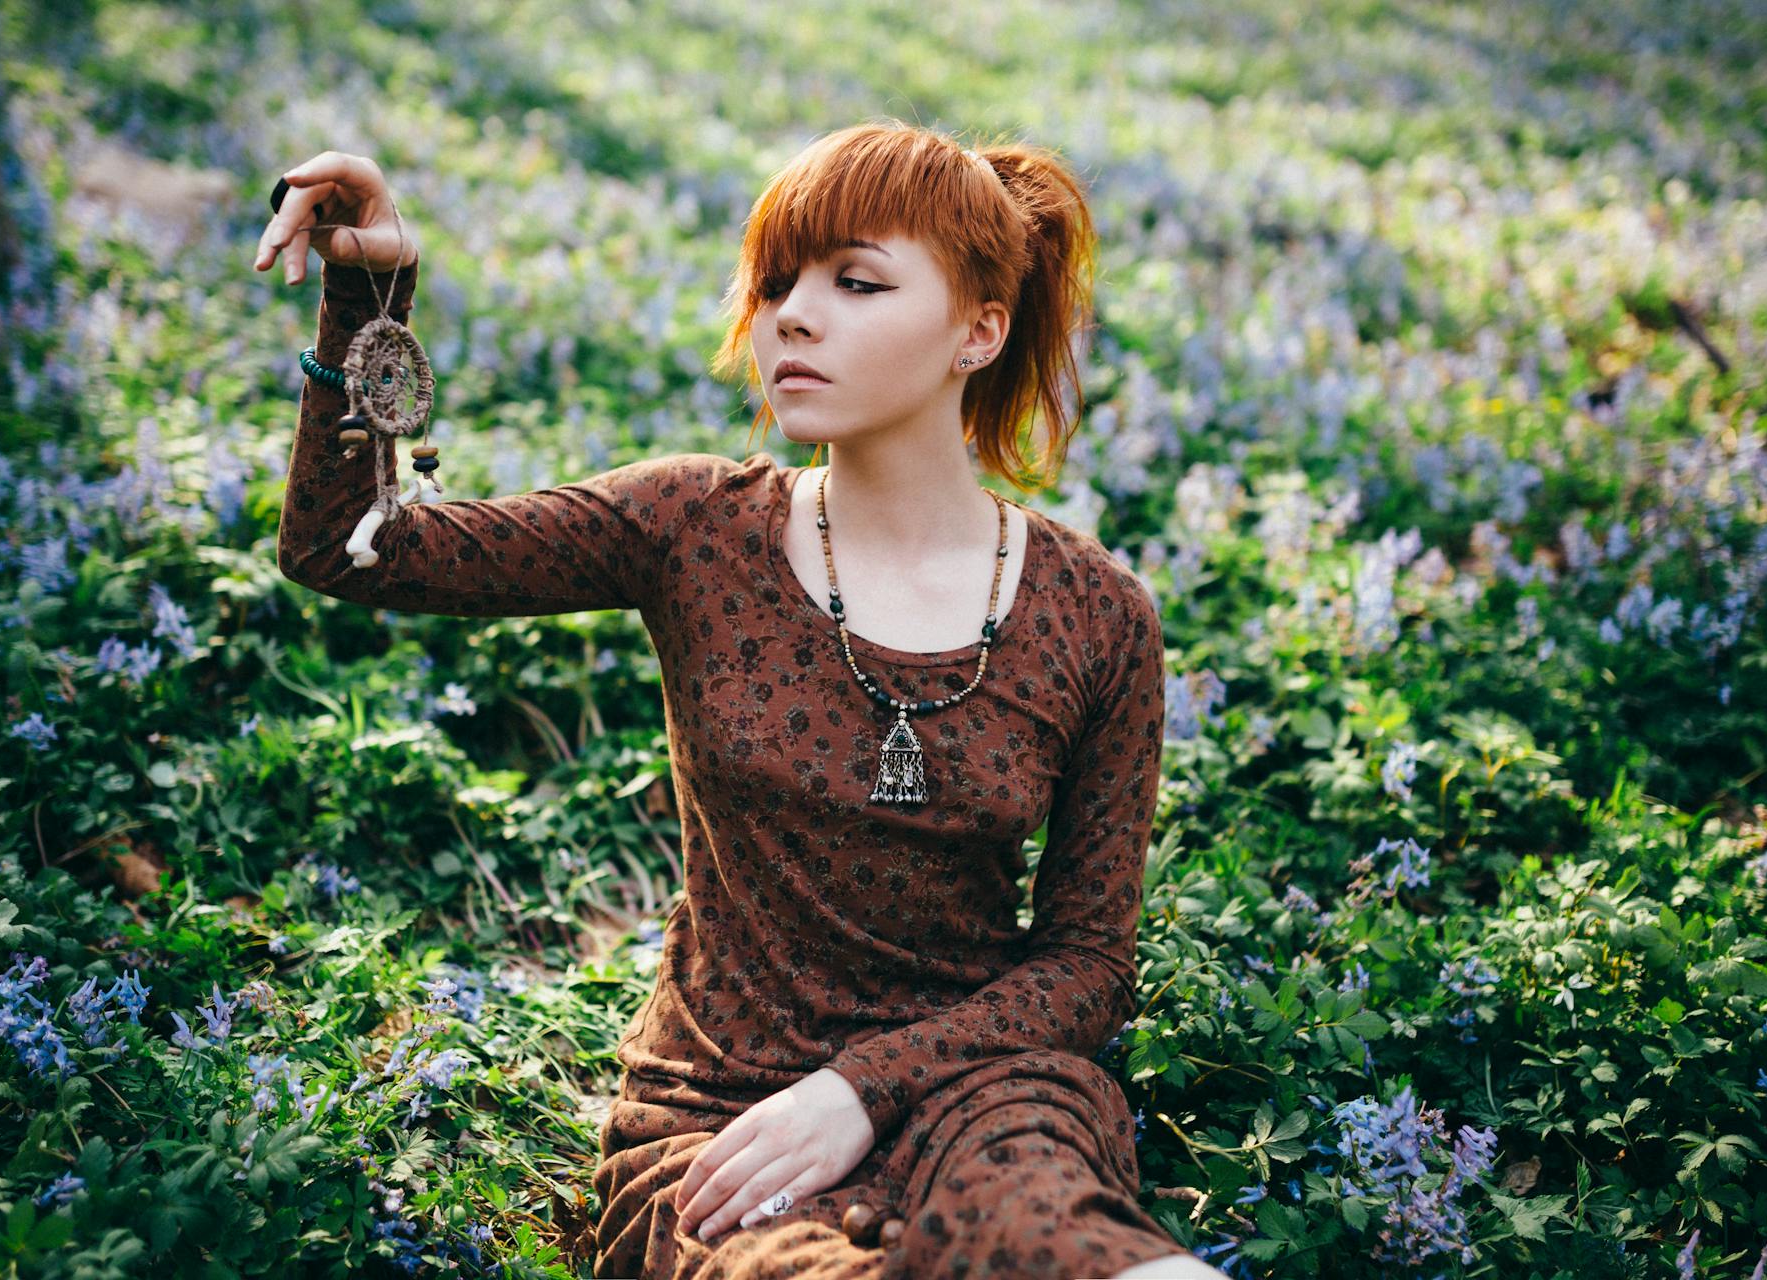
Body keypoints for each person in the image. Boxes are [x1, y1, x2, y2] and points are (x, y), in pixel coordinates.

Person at [254, 120, 1219, 1280]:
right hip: (719, 1112)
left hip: (985, 1092)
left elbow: (1087, 963)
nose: (793, 316)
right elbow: (353, 549)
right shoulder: (695, 526)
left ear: (980, 329)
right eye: (776, 284)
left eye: (856, 281)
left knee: (1067, 1242)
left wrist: (865, 1088)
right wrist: (366, 297)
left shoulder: (1096, 613)